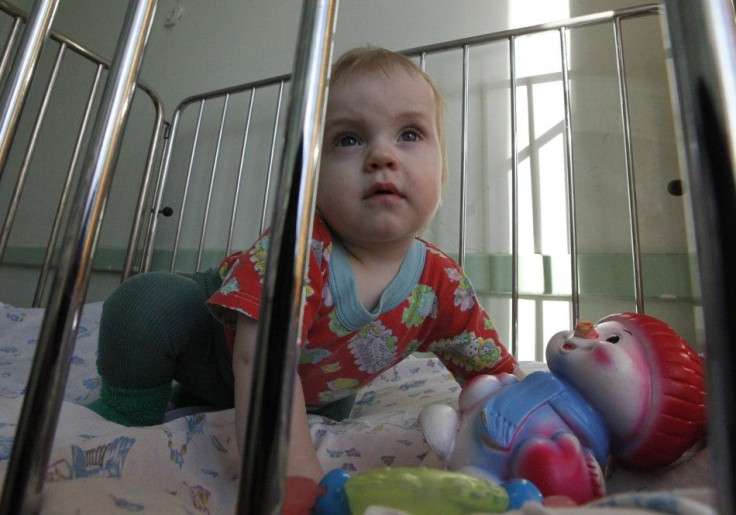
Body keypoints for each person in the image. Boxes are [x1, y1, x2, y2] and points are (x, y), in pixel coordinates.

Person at [89, 46, 521, 483]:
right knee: (145, 305)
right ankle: (129, 407)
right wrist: (294, 479)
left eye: (409, 134)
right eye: (348, 139)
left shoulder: (442, 284)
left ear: (443, 172)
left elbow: (493, 371)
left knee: (338, 399)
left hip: (315, 392)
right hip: (210, 346)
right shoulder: (299, 249)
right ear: (311, 180)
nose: (381, 156)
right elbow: (261, 363)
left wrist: (544, 414)